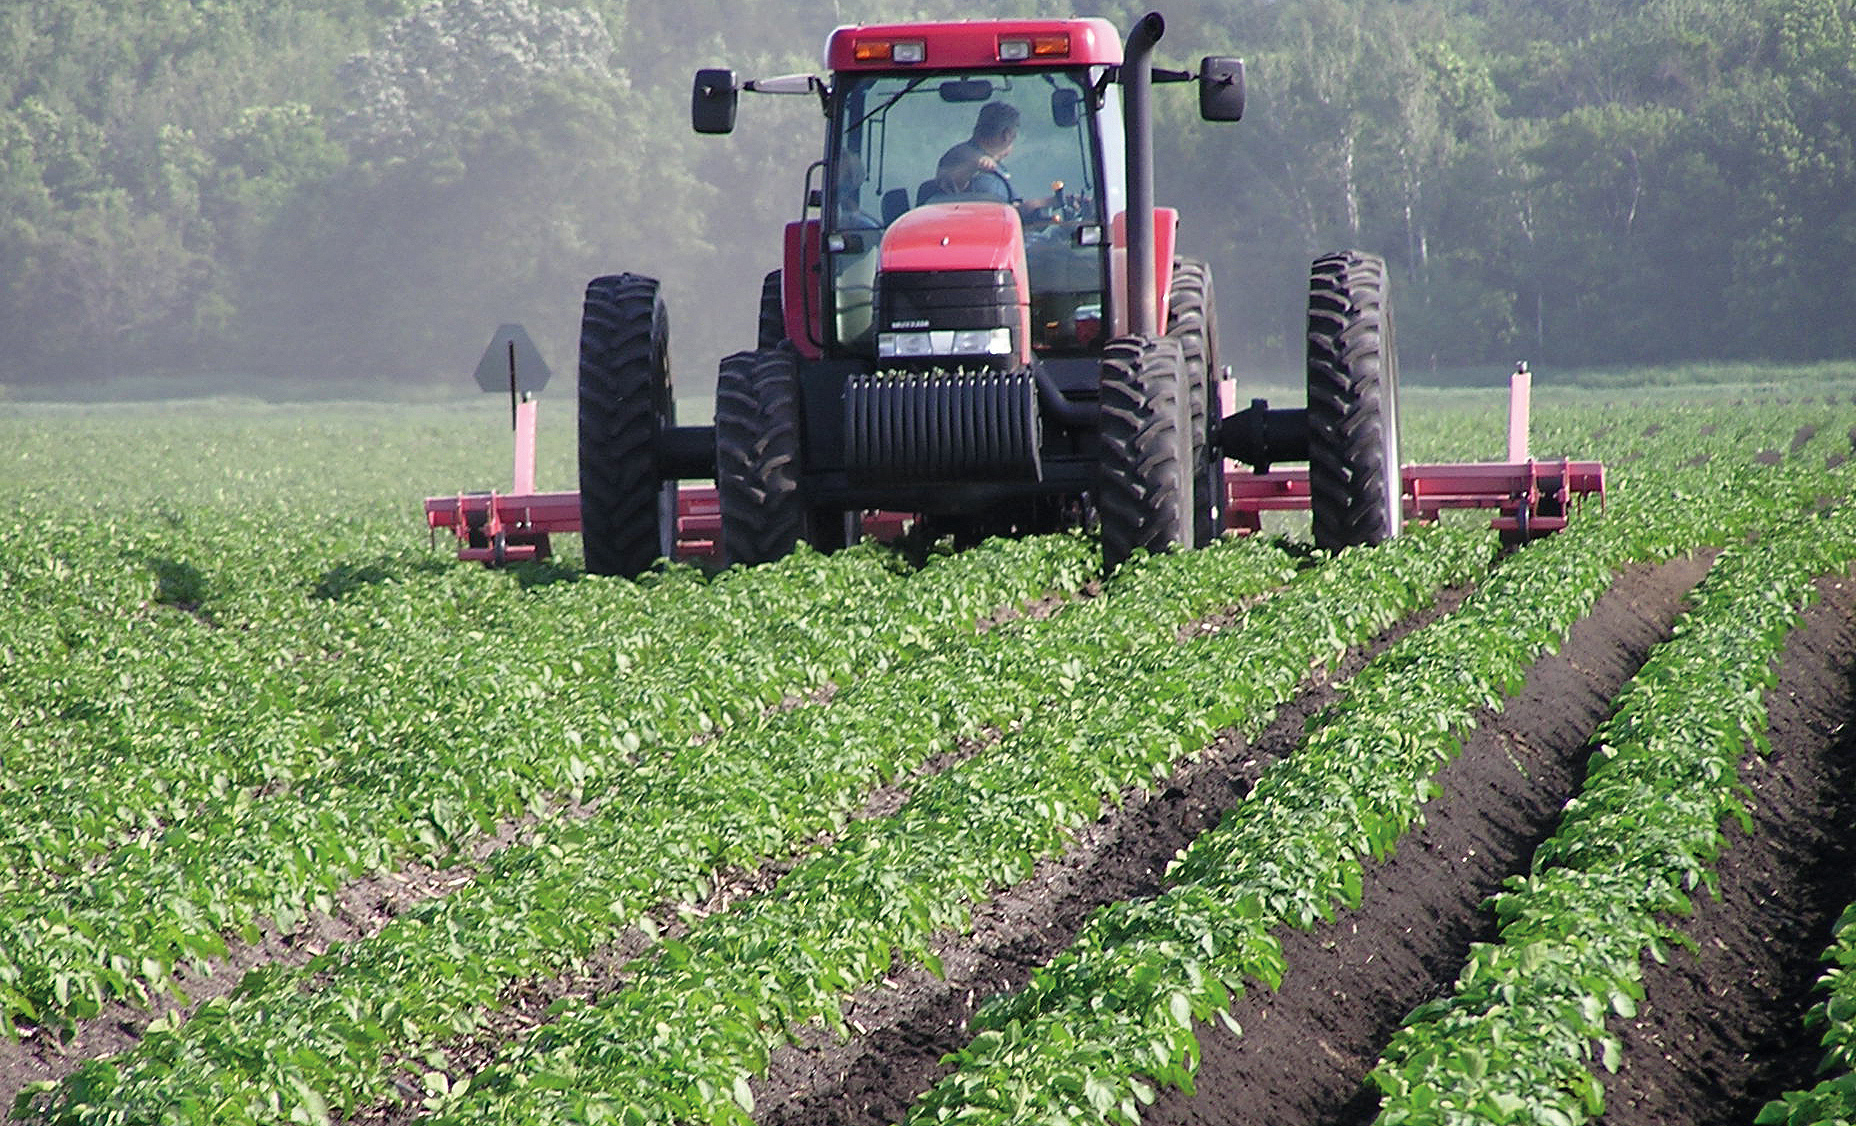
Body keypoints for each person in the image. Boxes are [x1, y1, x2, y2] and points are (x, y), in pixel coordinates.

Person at [927, 102, 1055, 214]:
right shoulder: (963, 157)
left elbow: (1016, 211)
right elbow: (949, 177)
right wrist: (975, 163)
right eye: (1014, 135)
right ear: (1007, 135)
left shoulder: (995, 167)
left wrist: (1054, 202)